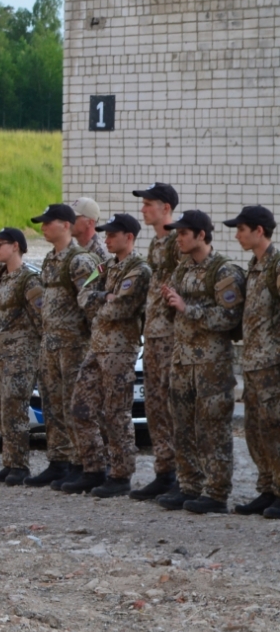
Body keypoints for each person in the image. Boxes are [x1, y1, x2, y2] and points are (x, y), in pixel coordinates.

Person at [159, 210, 246, 513]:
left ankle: (216, 491)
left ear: (200, 235)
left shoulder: (224, 272)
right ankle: (190, 485)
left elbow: (230, 317)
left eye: (183, 233)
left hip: (211, 365)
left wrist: (187, 308)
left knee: (213, 430)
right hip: (183, 362)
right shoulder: (182, 270)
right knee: (183, 428)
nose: (178, 239)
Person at [66, 214, 150, 497]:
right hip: (98, 345)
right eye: (106, 234)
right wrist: (104, 298)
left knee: (116, 413)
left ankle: (120, 474)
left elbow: (122, 309)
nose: (108, 239)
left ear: (129, 237)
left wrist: (101, 301)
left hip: (120, 349)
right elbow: (83, 295)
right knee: (81, 407)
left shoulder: (139, 270)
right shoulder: (105, 266)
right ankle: (93, 468)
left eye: (113, 234)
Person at [26, 203, 102, 490]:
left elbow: (92, 305)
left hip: (74, 345)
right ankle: (59, 460)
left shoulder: (81, 261)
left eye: (49, 222)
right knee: (52, 404)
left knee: (76, 406)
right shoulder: (50, 259)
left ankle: (84, 464)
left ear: (66, 225)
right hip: (51, 344)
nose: (43, 227)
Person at [226, 206, 280, 516]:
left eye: (241, 229)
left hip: (272, 364)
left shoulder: (275, 266)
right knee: (256, 430)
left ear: (259, 231)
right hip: (254, 363)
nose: (237, 235)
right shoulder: (254, 266)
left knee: (275, 428)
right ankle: (268, 488)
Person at [131, 182, 181, 501]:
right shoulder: (157, 245)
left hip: (173, 339)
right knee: (156, 408)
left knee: (173, 407)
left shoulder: (179, 243)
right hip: (154, 337)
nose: (143, 209)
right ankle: (164, 472)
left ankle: (180, 474)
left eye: (148, 204)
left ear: (166, 208)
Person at [0, 228, 44, 485]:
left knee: (15, 407)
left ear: (17, 247)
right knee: (1, 408)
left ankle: (20, 464)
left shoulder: (28, 280)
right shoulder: (1, 279)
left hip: (22, 354)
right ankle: (9, 461)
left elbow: (41, 318)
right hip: (1, 354)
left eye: (1, 244)